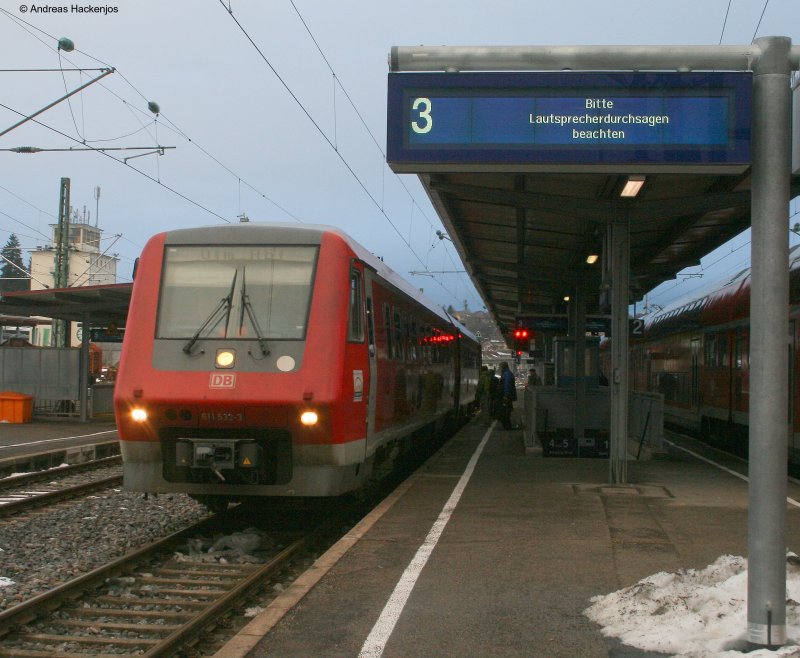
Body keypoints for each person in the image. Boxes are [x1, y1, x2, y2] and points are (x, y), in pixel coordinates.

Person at [499, 361, 516, 430]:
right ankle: (507, 426)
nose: (499, 368)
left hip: (506, 396)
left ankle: (507, 426)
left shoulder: (506, 374)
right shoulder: (508, 373)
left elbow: (507, 385)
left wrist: (505, 395)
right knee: (507, 411)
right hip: (508, 395)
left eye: (500, 367)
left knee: (505, 411)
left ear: (503, 367)